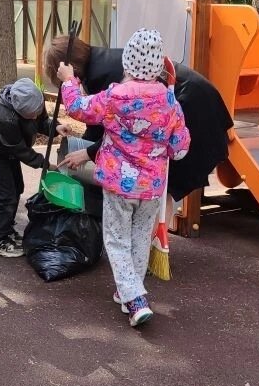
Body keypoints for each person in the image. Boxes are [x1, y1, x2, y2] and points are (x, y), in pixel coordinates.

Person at [57, 28, 190, 327]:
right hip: (152, 188)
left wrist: (69, 81)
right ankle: (127, 291)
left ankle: (135, 299)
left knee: (116, 240)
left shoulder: (115, 96)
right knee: (139, 238)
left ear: (127, 63)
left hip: (119, 185)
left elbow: (78, 108)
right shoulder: (170, 102)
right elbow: (180, 148)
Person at [44, 33, 233, 216]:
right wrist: (86, 150)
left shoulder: (105, 76)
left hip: (196, 108)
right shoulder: (98, 63)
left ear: (68, 67)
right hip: (190, 104)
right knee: (159, 188)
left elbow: (101, 121)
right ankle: (151, 237)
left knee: (168, 185)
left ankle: (153, 236)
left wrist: (88, 153)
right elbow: (101, 124)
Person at [0, 78, 68, 257]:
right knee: (6, 194)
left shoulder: (35, 99)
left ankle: (7, 230)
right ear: (19, 111)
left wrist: (56, 126)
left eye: (36, 112)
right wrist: (45, 164)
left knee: (17, 187)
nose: (34, 117)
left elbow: (41, 121)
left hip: (10, 147)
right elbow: (20, 151)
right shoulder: (4, 116)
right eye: (30, 115)